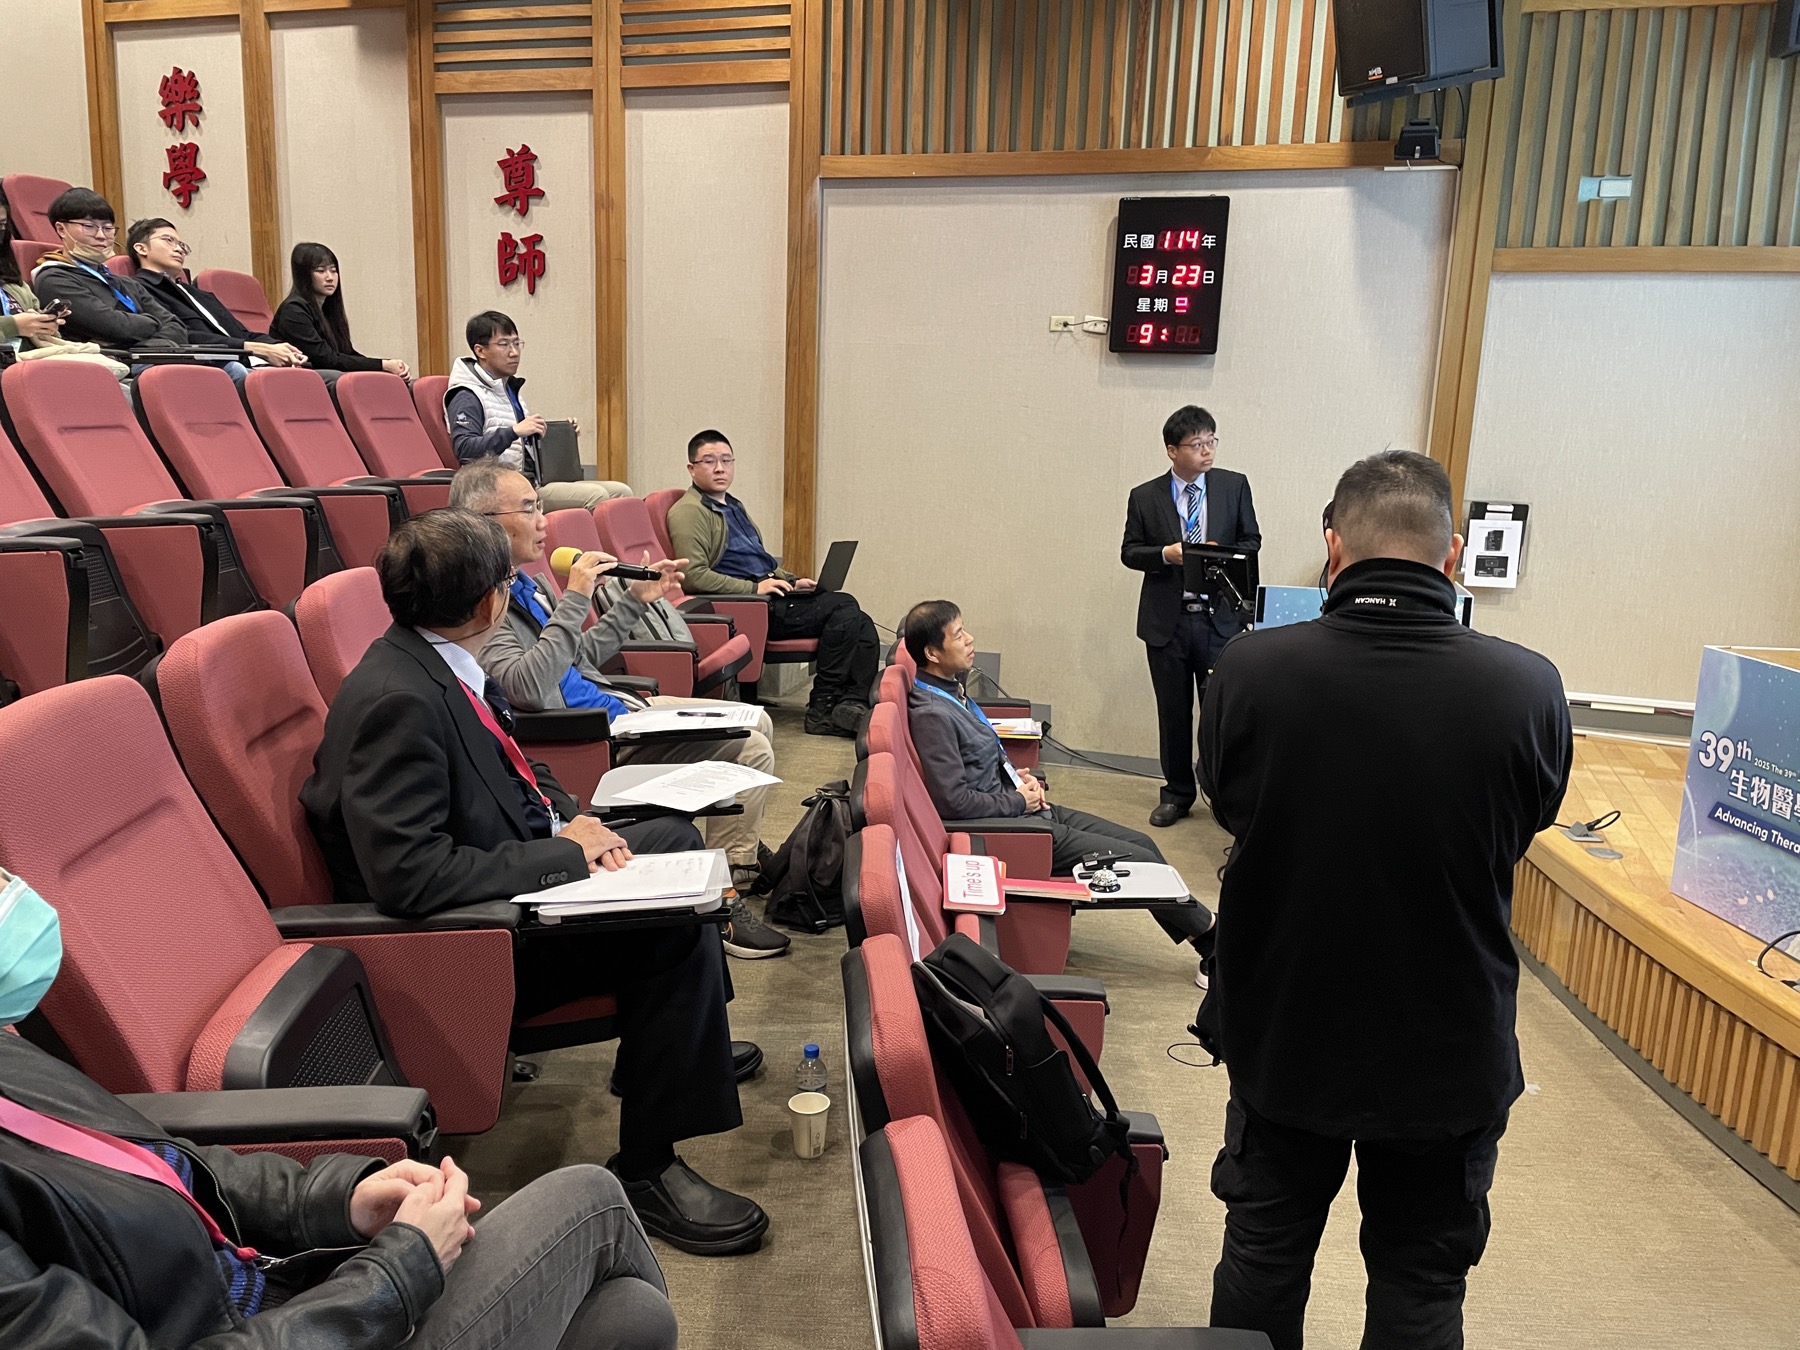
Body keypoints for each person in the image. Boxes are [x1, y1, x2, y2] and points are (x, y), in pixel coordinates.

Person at [301, 509, 770, 1256]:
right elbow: (410, 877)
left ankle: (672, 1053)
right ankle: (648, 1165)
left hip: (512, 872)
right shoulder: (398, 700)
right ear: (492, 600)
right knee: (679, 924)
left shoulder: (437, 660)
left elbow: (515, 763)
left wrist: (568, 820)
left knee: (673, 841)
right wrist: (562, 855)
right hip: (471, 942)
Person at [1197, 451, 1572, 1350]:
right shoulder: (1528, 687)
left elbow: (1234, 805)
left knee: (1263, 1256)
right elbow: (1521, 826)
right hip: (1449, 1045)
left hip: (1287, 1029)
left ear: (1333, 547)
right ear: (1452, 556)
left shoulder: (1251, 669)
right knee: (1422, 1284)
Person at [0, 865, 680, 1350]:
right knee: (593, 1202)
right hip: (278, 1324)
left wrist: (338, 1201)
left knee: (628, 1317)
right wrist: (399, 1270)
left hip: (274, 1297)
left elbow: (167, 1164)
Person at [448, 457, 789, 960]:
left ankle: (739, 852)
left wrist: (633, 601)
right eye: (530, 509)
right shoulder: (484, 603)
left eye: (541, 506)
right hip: (588, 734)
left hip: (616, 706)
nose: (543, 521)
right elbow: (526, 687)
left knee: (755, 719)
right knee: (750, 748)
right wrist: (575, 599)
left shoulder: (526, 583)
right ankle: (728, 890)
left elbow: (577, 656)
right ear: (485, 523)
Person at [901, 599, 1216, 978]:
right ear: (932, 653)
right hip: (1010, 829)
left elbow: (974, 761)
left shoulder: (952, 690)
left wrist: (1016, 777)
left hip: (1023, 808)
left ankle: (1207, 937)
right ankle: (1213, 942)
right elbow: (952, 803)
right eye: (958, 635)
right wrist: (1017, 799)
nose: (970, 639)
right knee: (1139, 860)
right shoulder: (932, 714)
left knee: (1143, 844)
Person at [667, 430, 879, 737]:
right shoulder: (689, 512)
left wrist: (791, 580)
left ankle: (850, 703)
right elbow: (694, 576)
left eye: (726, 460)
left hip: (770, 595)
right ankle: (823, 708)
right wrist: (754, 589)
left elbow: (759, 560)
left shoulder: (733, 506)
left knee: (860, 621)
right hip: (751, 607)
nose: (720, 468)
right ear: (692, 468)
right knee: (844, 607)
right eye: (709, 461)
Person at [1121, 405, 1260, 828]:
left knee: (1220, 715)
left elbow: (1251, 540)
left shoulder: (1233, 486)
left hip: (1220, 621)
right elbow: (1130, 552)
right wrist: (1166, 554)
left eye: (1211, 441)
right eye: (1197, 444)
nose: (1207, 451)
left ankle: (1222, 794)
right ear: (1172, 450)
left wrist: (1222, 553)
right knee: (1173, 713)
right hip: (1169, 623)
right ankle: (1177, 794)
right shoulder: (1145, 496)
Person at [447, 311, 630, 507]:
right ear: (480, 351)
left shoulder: (507, 389)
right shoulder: (467, 395)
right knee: (597, 496)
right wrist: (514, 431)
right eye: (504, 344)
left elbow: (522, 448)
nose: (514, 352)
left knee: (621, 492)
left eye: (516, 343)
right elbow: (465, 450)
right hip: (495, 489)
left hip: (528, 481)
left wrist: (560, 434)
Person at [124, 216, 309, 379]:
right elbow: (180, 336)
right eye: (168, 240)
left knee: (312, 376)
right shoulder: (140, 289)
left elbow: (243, 333)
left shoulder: (200, 295)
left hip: (247, 361)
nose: (179, 249)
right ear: (141, 248)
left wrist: (280, 347)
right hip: (215, 364)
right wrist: (254, 348)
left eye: (181, 245)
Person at [29, 187, 191, 352]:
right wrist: (154, 323)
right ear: (61, 229)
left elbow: (176, 326)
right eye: (89, 226)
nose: (101, 235)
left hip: (148, 356)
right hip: (102, 362)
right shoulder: (54, 279)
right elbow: (115, 327)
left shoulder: (126, 283)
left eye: (107, 228)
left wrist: (149, 345)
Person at [272, 241, 411, 379]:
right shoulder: (293, 311)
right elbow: (326, 359)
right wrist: (383, 365)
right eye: (321, 271)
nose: (330, 277)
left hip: (326, 375)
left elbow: (346, 353)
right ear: (304, 275)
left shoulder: (328, 310)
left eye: (333, 271)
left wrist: (390, 366)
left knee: (394, 380)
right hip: (301, 379)